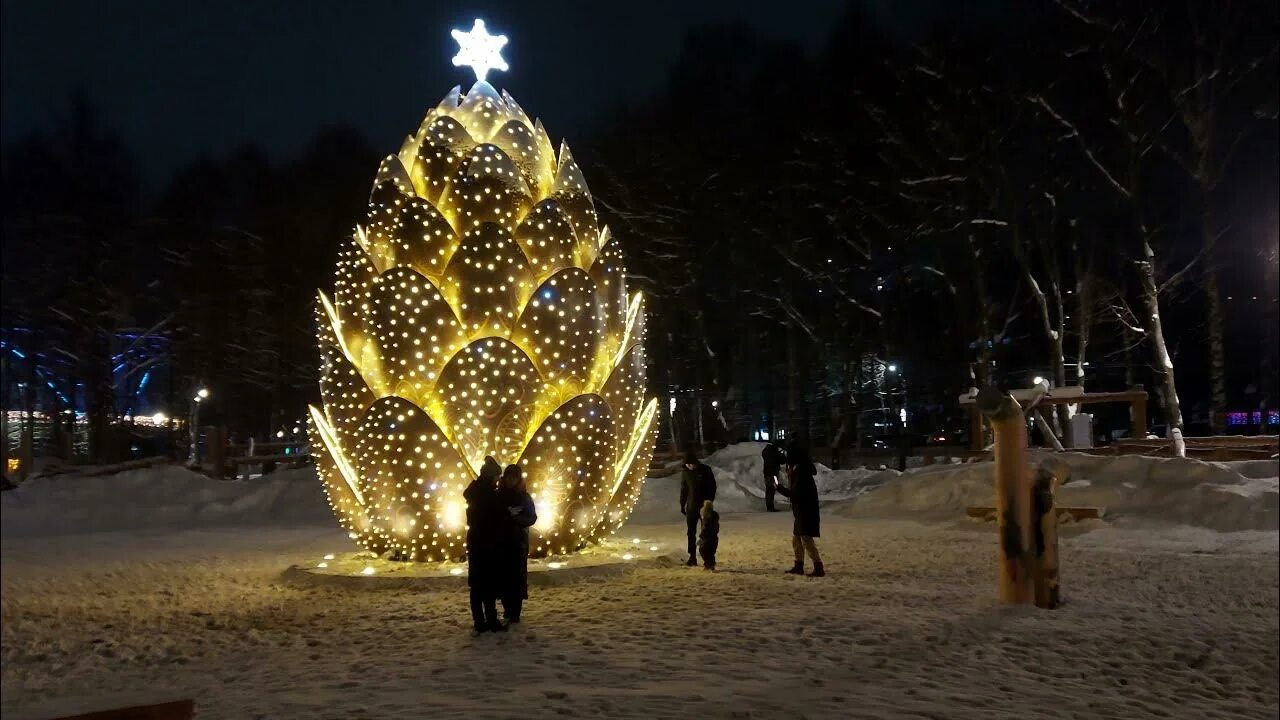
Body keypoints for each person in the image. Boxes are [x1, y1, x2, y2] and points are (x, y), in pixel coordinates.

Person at [464, 456, 504, 633]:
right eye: (496, 476)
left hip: (476, 540)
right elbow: (492, 518)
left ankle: (480, 620)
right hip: (486, 541)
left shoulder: (476, 491)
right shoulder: (488, 493)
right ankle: (490, 620)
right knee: (487, 583)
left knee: (479, 583)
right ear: (491, 477)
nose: (498, 480)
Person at [773, 442, 824, 577]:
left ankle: (818, 567)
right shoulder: (801, 470)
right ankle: (799, 565)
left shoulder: (801, 472)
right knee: (797, 539)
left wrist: (779, 488)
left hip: (805, 511)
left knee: (806, 539)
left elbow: (796, 494)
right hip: (802, 510)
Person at [496, 463, 537, 624]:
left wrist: (516, 519)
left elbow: (532, 517)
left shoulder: (524, 497)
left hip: (517, 542)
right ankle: (507, 608)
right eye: (508, 477)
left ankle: (515, 612)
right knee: (504, 576)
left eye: (513, 478)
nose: (510, 481)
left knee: (516, 576)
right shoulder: (498, 495)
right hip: (502, 541)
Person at [679, 451, 717, 566]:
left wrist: (709, 502)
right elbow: (684, 489)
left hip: (704, 507)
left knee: (707, 533)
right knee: (691, 532)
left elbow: (712, 487)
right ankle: (692, 556)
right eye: (687, 464)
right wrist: (682, 504)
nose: (689, 466)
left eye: (691, 464)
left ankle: (708, 559)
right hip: (691, 507)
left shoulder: (705, 470)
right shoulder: (685, 473)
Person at [761, 440, 785, 512]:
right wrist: (781, 453)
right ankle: (770, 507)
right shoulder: (774, 452)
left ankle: (769, 506)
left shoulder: (766, 451)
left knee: (769, 489)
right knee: (772, 489)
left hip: (767, 473)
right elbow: (782, 461)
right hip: (773, 473)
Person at [698, 499, 720, 571]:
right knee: (711, 553)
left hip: (707, 539)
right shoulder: (715, 516)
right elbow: (717, 528)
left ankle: (708, 565)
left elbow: (705, 528)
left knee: (702, 550)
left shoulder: (706, 517)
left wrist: (700, 537)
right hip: (714, 539)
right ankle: (710, 565)